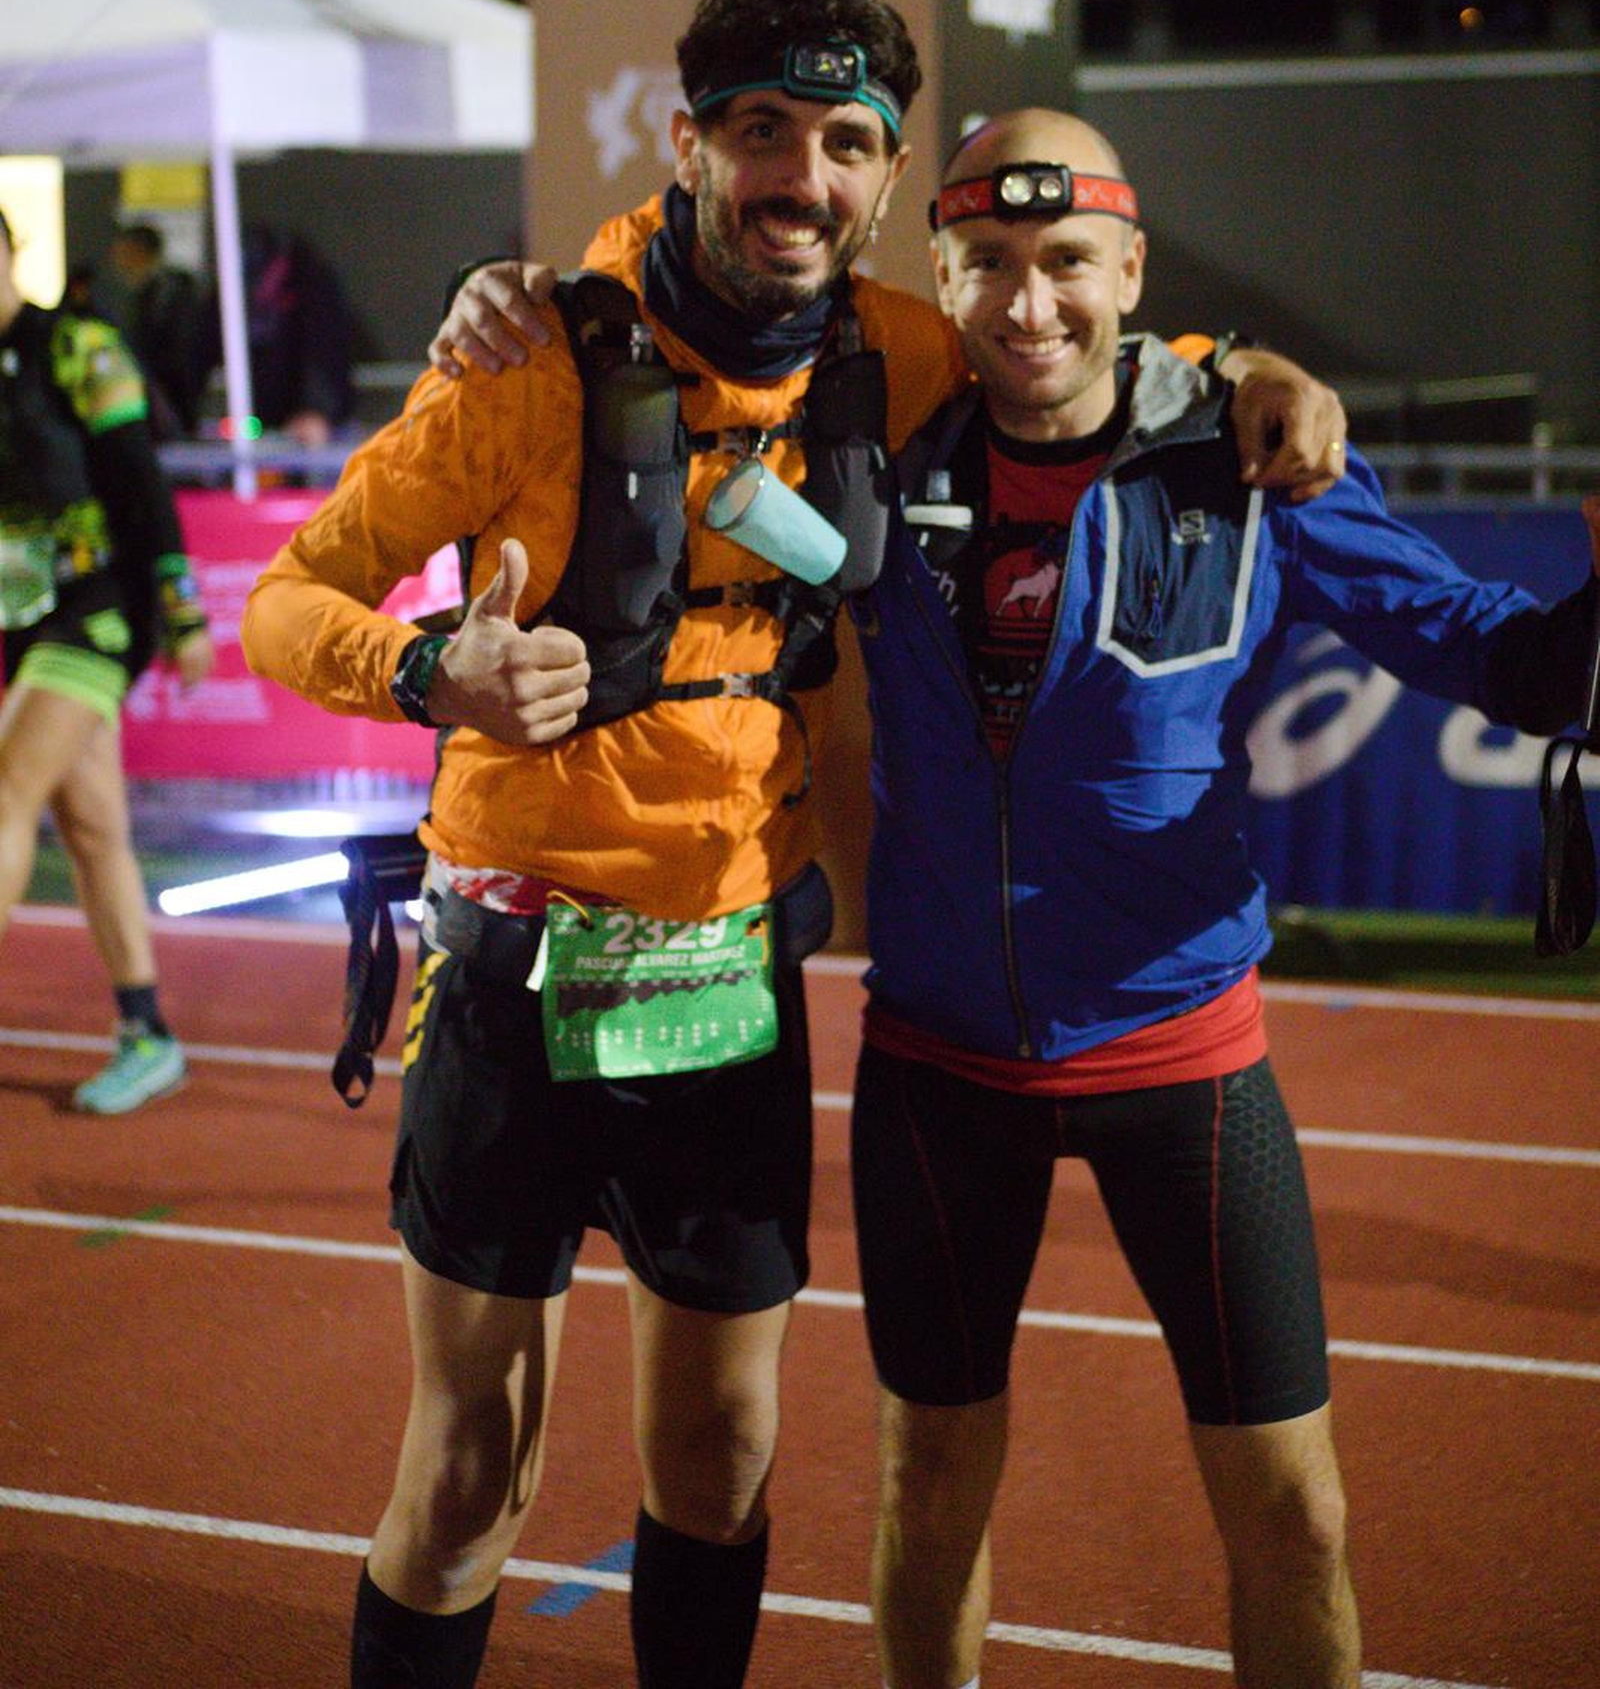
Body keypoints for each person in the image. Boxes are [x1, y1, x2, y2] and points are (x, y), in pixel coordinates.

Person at [430, 91, 1595, 1689]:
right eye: (989, 262)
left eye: (1067, 262)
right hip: (941, 1069)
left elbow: (1499, 655)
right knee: (929, 1490)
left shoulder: (1246, 456)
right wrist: (504, 295)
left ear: (1131, 272)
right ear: (943, 273)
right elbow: (681, 333)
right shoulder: (871, 444)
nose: (1029, 303)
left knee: (1300, 1515)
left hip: (1186, 1060)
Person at [0, 211, 214, 1114]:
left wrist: (182, 610)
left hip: (99, 611)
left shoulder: (78, 346)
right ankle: (147, 1031)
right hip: (23, 621)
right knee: (91, 828)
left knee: (6, 786)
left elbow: (140, 480)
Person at [201, 221, 355, 449]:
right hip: (265, 411)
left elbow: (325, 347)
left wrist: (316, 409)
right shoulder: (240, 288)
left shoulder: (307, 284)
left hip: (306, 416)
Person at [108, 219, 209, 441]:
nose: (116, 262)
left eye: (121, 252)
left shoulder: (165, 297)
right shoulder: (154, 295)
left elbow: (178, 359)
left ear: (137, 251)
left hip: (169, 408)